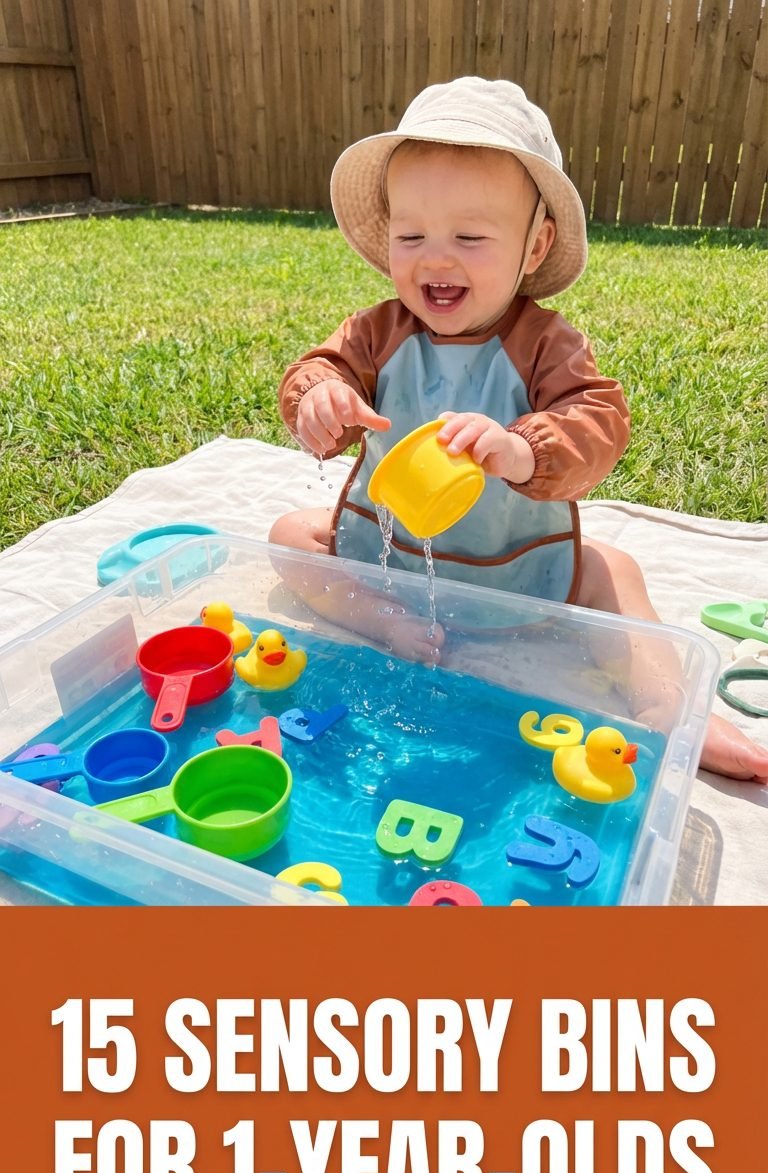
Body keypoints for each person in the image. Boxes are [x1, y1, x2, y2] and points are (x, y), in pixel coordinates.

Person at [271, 76, 768, 784]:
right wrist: (320, 397)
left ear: (535, 246)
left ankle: (672, 711)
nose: (435, 258)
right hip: (394, 559)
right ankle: (388, 625)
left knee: (611, 572)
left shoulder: (544, 344)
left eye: (470, 236)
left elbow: (599, 421)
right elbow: (318, 368)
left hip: (517, 565)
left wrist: (521, 448)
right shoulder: (377, 332)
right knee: (290, 534)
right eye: (411, 235)